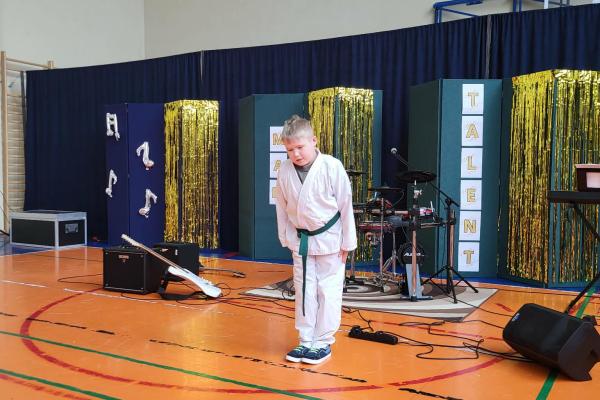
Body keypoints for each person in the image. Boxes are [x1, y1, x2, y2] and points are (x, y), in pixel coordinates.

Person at [275, 115, 357, 365]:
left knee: (328, 290)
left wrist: (348, 242)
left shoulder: (332, 166)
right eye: (290, 150)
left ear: (314, 140)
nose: (296, 154)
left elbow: (345, 205)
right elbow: (282, 206)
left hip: (330, 240)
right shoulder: (284, 170)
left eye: (300, 147)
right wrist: (286, 237)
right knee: (303, 290)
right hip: (301, 241)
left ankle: (322, 341)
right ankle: (305, 339)